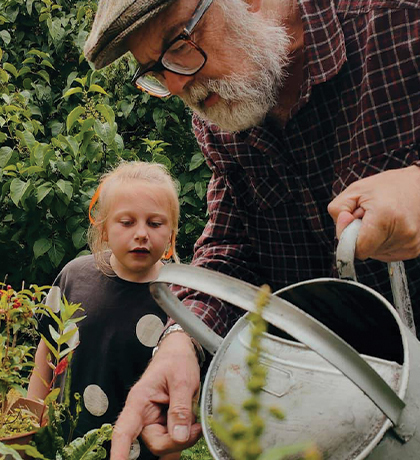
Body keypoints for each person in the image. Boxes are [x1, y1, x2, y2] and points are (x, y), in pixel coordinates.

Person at [82, 0, 420, 458]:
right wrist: (182, 341)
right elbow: (232, 243)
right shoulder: (223, 109)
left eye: (180, 42)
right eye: (158, 70)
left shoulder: (399, 21)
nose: (179, 84)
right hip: (325, 413)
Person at [28, 161, 184, 460]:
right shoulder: (75, 277)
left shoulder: (178, 297)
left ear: (171, 233)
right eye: (127, 222)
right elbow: (46, 352)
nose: (141, 234)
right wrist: (33, 417)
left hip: (140, 450)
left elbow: (176, 391)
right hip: (66, 441)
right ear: (103, 231)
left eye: (155, 223)